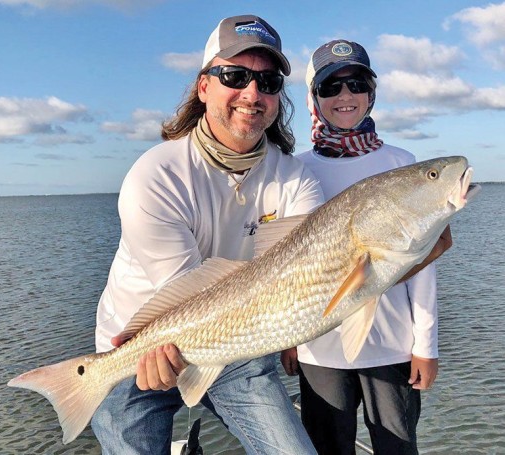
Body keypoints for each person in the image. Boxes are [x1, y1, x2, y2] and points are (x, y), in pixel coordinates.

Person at [91, 15, 322, 455]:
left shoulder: (296, 180)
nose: (252, 94)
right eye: (234, 76)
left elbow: (303, 278)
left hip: (237, 347)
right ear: (203, 87)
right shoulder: (155, 176)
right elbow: (185, 298)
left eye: (268, 81)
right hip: (137, 351)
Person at [281, 40, 452, 455]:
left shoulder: (402, 163)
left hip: (392, 345)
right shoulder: (294, 169)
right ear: (313, 98)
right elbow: (284, 267)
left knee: (397, 447)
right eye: (329, 87)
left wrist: (424, 347)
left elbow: (423, 266)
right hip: (318, 348)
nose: (345, 96)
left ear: (371, 93)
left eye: (356, 84)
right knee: (327, 448)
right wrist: (289, 338)